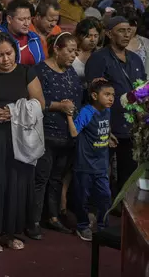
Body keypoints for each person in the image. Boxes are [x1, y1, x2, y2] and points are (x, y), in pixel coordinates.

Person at [0, 32, 45, 252]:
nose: (5, 59)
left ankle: (10, 232)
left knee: (17, 183)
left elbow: (39, 104)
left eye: (9, 53)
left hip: (21, 136)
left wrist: (15, 111)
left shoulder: (26, 72)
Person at [29, 32, 81, 239]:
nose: (73, 56)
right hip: (46, 134)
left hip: (66, 135)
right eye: (69, 51)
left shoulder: (71, 72)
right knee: (40, 179)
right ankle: (32, 220)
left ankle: (52, 217)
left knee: (56, 178)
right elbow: (34, 102)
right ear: (56, 49)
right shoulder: (40, 71)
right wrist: (59, 106)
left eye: (75, 52)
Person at [85, 16, 146, 190]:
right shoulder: (99, 59)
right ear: (109, 34)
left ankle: (122, 207)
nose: (126, 35)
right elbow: (93, 95)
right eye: (121, 31)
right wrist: (103, 125)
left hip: (132, 125)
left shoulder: (135, 59)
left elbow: (142, 89)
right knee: (100, 171)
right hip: (107, 125)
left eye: (128, 30)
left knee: (129, 171)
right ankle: (96, 209)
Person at [67, 80, 114, 241]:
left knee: (105, 196)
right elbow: (74, 133)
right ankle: (82, 226)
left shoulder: (107, 111)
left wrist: (108, 137)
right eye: (107, 95)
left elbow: (105, 128)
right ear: (94, 96)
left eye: (112, 95)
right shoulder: (87, 112)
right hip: (85, 164)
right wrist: (68, 117)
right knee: (82, 198)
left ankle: (102, 227)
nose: (111, 98)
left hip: (101, 164)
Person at [0, 0, 44, 65]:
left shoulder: (34, 38)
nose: (27, 23)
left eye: (28, 19)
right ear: (9, 19)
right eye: (21, 19)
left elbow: (41, 64)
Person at [72, 18, 101, 86]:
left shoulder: (101, 55)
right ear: (79, 36)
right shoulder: (71, 53)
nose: (92, 40)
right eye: (88, 36)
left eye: (96, 36)